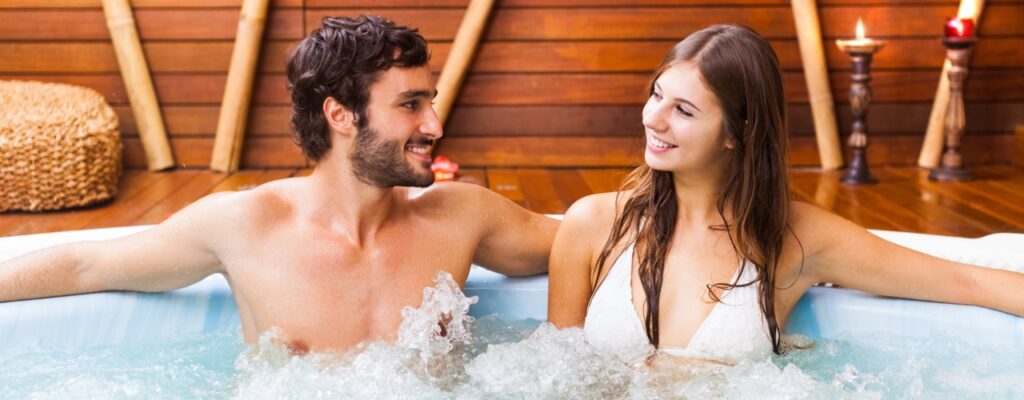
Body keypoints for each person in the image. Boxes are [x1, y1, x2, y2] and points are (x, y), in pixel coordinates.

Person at [0, 15, 558, 354]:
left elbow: (580, 240)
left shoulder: (460, 218)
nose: (434, 126)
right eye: (411, 105)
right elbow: (85, 265)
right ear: (341, 116)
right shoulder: (246, 225)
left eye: (428, 103)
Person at [547, 24, 1024, 364]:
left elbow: (966, 282)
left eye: (684, 110)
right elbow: (550, 376)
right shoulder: (594, 224)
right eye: (656, 94)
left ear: (737, 132)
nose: (654, 118)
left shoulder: (793, 238)